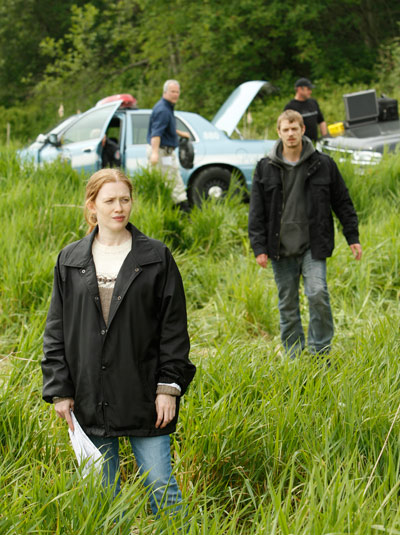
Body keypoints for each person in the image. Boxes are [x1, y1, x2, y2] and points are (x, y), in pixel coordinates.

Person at [42, 168, 196, 517]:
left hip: (145, 394)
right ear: (92, 205)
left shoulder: (156, 257)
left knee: (161, 487)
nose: (118, 208)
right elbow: (56, 330)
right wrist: (60, 390)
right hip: (89, 395)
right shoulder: (70, 260)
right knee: (103, 498)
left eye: (125, 199)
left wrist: (168, 388)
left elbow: (174, 329)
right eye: (109, 200)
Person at [248, 110, 362, 359]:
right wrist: (259, 247)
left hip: (313, 245)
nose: (290, 134)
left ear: (303, 130)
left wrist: (352, 237)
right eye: (285, 129)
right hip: (280, 247)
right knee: (287, 303)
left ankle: (320, 352)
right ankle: (294, 355)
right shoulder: (265, 167)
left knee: (318, 293)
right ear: (279, 132)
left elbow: (342, 202)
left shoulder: (323, 164)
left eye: (294, 129)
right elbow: (256, 210)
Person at [147, 80, 191, 212]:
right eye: (172, 91)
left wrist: (180, 133)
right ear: (165, 92)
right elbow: (156, 133)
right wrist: (155, 153)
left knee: (172, 183)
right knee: (173, 185)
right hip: (161, 152)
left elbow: (165, 128)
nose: (175, 94)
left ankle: (174, 214)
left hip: (165, 152)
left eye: (177, 92)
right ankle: (182, 215)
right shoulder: (163, 110)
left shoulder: (167, 107)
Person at [284, 78, 328, 142]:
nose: (310, 92)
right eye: (308, 89)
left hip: (314, 143)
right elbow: (287, 128)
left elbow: (321, 121)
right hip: (300, 144)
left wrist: (325, 138)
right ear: (299, 89)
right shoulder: (290, 107)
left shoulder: (313, 102)